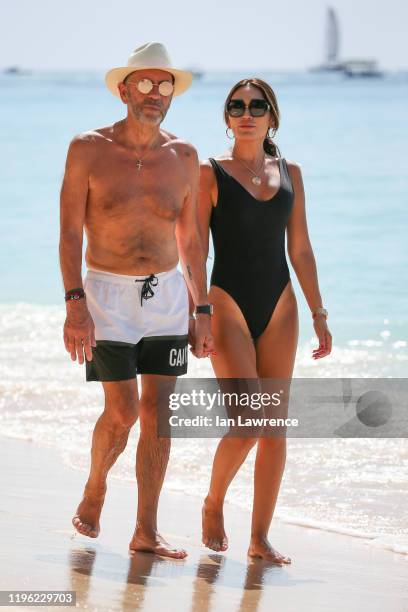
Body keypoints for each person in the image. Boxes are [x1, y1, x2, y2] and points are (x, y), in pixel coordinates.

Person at [59, 42, 214, 559]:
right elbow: (68, 235)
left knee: (159, 415)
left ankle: (146, 529)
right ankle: (96, 485)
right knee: (122, 411)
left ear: (172, 93)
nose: (154, 93)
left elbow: (192, 240)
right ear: (124, 90)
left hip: (168, 295)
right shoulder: (88, 148)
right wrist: (74, 304)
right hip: (106, 295)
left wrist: (201, 308)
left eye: (163, 84)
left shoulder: (185, 155)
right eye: (143, 84)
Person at [198, 78, 332, 563]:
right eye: (237, 105)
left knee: (274, 428)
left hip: (281, 306)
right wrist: (200, 311)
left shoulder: (290, 173)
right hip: (227, 302)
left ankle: (259, 539)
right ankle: (213, 502)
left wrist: (319, 312)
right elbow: (195, 248)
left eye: (257, 106)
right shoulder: (208, 173)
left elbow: (300, 248)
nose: (246, 112)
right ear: (227, 116)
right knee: (247, 422)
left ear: (272, 117)